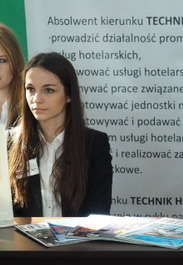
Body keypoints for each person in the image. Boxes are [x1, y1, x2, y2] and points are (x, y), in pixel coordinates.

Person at [9, 52, 112, 217]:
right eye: (30, 89)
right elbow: (8, 211)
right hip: (25, 234)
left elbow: (98, 212)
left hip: (80, 234)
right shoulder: (10, 142)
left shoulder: (94, 144)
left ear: (69, 95)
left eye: (49, 90)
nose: (36, 99)